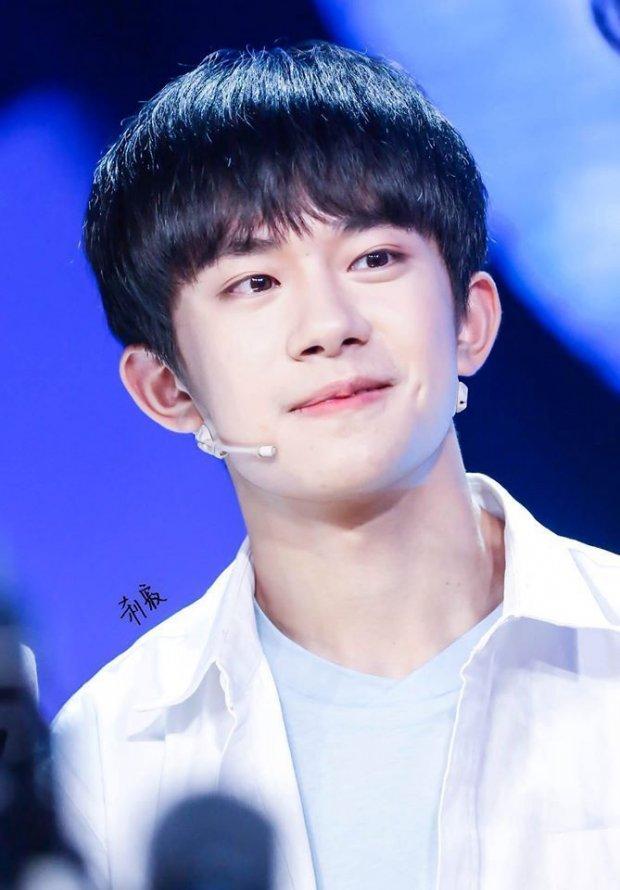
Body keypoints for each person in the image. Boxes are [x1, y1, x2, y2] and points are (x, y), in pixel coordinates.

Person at [50, 40, 620, 890]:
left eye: (375, 259)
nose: (329, 325)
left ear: (470, 321)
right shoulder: (105, 756)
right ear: (168, 387)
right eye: (253, 282)